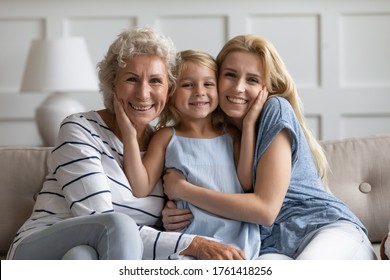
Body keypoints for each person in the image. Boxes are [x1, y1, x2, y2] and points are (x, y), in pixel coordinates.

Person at [7, 27, 244, 260]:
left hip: (103, 253)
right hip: (40, 245)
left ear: (168, 90)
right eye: (132, 79)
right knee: (113, 228)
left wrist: (171, 219)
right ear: (112, 85)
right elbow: (102, 221)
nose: (143, 93)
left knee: (81, 257)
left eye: (155, 81)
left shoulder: (163, 144)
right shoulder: (80, 128)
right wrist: (193, 243)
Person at [162, 34, 377, 260]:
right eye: (230, 75)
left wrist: (185, 190)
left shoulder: (275, 109)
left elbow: (265, 210)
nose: (238, 88)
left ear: (266, 86)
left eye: (252, 80)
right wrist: (172, 214)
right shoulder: (213, 132)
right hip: (267, 246)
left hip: (323, 228)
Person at [115, 49, 268, 259]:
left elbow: (246, 182)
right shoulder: (166, 137)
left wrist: (249, 125)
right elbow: (141, 187)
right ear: (171, 92)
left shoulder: (231, 135)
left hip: (238, 237)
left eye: (208, 84)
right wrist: (129, 136)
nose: (199, 92)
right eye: (187, 85)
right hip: (191, 240)